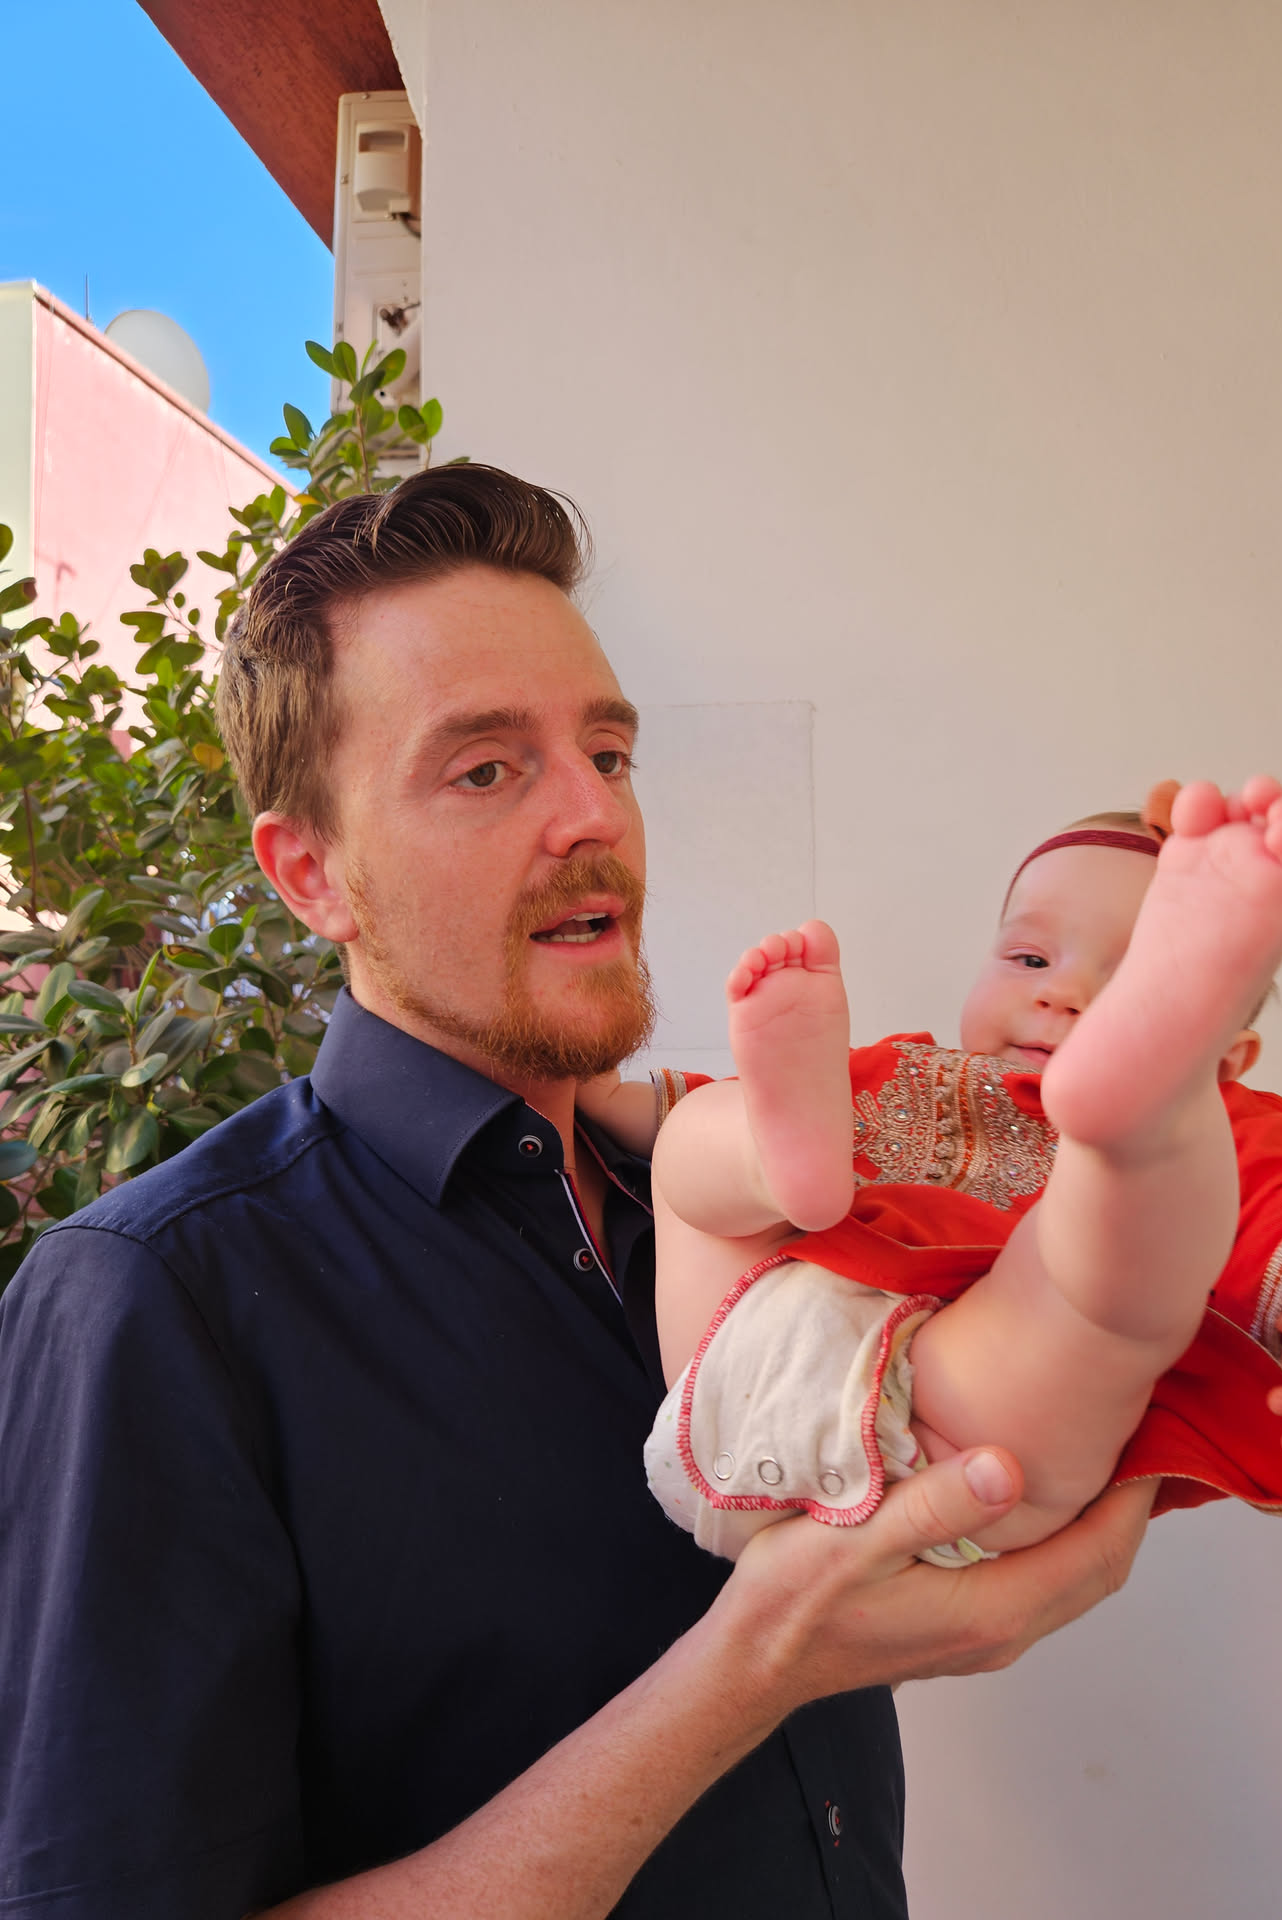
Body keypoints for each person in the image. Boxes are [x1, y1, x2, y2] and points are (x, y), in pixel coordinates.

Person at [0, 464, 1155, 1920]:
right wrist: (753, 1668)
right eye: (487, 770)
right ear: (311, 875)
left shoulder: (741, 1182)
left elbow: (1062, 1324)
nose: (591, 816)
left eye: (607, 754)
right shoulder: (152, 1296)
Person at [582, 794, 1282, 1563]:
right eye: (1030, 959)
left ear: (1227, 1062)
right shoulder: (903, 1069)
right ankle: (779, 1164)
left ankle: (1136, 1111)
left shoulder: (1221, 1125)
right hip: (733, 1376)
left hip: (965, 1432)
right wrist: (600, 1094)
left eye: (1132, 982)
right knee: (699, 1137)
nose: (1062, 994)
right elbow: (662, 1122)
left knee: (1099, 1280)